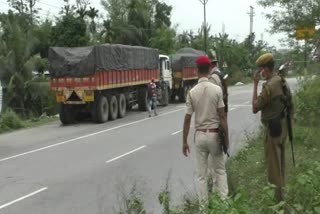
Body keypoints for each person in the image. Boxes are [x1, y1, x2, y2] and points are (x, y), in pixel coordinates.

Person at [182, 55, 229, 202]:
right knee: (220, 170)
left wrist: (184, 141)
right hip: (215, 135)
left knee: (201, 176)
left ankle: (203, 208)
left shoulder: (192, 92)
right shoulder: (216, 90)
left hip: (200, 137)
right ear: (209, 69)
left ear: (197, 70)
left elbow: (187, 118)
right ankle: (223, 204)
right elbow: (222, 116)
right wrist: (226, 138)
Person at [252, 53, 293, 202]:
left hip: (273, 130)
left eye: (260, 69)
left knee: (274, 169)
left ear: (265, 69)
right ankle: (282, 197)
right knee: (281, 165)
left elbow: (255, 107)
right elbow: (291, 104)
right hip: (283, 127)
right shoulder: (281, 80)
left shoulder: (269, 85)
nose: (259, 73)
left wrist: (255, 85)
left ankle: (278, 203)